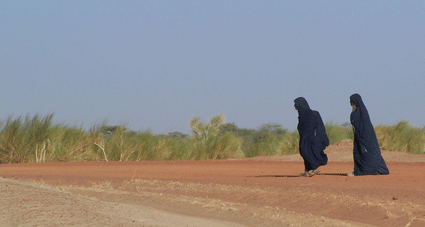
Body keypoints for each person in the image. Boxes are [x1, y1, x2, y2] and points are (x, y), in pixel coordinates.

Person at [348, 94, 389, 176]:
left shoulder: (361, 112)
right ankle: (360, 170)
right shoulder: (355, 112)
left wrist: (362, 136)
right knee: (358, 152)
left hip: (365, 136)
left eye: (351, 100)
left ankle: (372, 169)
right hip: (358, 136)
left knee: (370, 152)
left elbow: (364, 125)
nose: (350, 102)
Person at [294, 97, 329, 177]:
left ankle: (315, 168)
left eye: (295, 104)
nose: (294, 106)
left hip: (311, 138)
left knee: (305, 152)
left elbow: (318, 126)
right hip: (305, 137)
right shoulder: (302, 114)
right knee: (305, 152)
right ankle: (306, 171)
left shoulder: (311, 114)